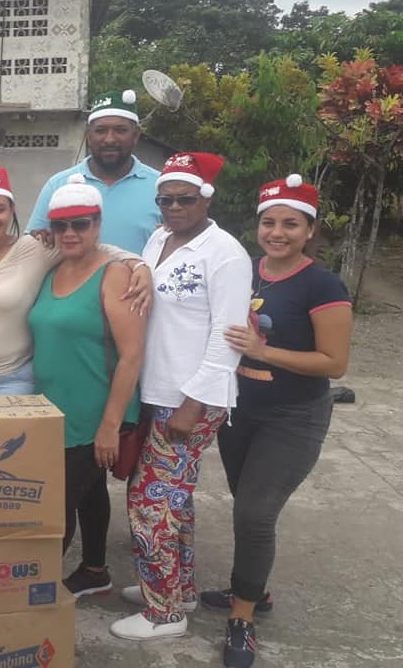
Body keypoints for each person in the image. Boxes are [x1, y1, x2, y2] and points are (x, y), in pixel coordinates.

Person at [201, 175, 352, 668]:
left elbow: (334, 363)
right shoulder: (243, 270)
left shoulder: (322, 285)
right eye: (269, 222)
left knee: (255, 513)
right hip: (239, 409)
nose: (278, 232)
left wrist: (264, 352)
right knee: (245, 503)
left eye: (291, 223)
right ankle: (254, 589)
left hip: (294, 416)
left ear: (310, 230)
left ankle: (242, 617)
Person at [110, 152, 251, 641]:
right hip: (158, 389)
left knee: (150, 502)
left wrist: (193, 402)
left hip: (191, 397)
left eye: (184, 199)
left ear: (206, 198)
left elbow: (227, 336)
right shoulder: (158, 239)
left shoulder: (225, 253)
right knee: (175, 500)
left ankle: (164, 613)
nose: (174, 207)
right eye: (165, 199)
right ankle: (177, 590)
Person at [27, 175, 146, 599]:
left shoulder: (115, 274)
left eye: (80, 224)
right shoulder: (52, 270)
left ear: (98, 225)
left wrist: (110, 425)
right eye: (61, 225)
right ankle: (95, 570)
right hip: (52, 407)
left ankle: (33, 592)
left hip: (92, 411)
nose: (70, 233)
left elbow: (132, 354)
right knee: (90, 489)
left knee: (55, 507)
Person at [0, 168, 151, 396]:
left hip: (11, 379)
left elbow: (93, 248)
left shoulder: (35, 249)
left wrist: (137, 264)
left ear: (12, 211)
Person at [26, 89, 160, 254]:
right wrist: (40, 238)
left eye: (120, 130)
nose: (109, 139)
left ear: (136, 135)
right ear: (88, 135)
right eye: (100, 131)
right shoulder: (58, 185)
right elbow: (32, 245)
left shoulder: (161, 189)